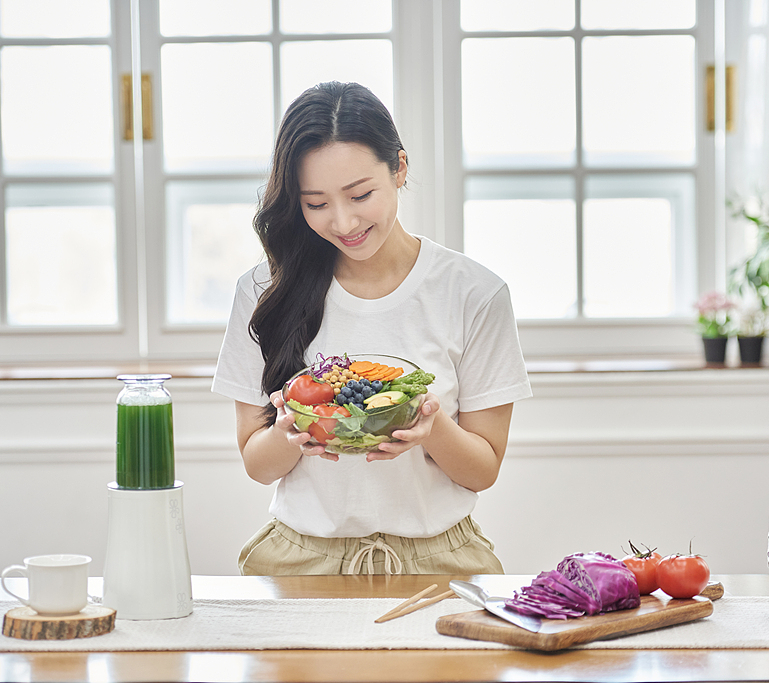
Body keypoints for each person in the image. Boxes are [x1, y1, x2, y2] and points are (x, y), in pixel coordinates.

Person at [212, 81, 531, 576]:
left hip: (439, 562)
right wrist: (289, 430)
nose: (343, 222)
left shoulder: (474, 293)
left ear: (399, 169)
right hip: (300, 559)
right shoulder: (264, 290)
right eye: (315, 203)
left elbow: (482, 469)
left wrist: (430, 426)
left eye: (360, 194)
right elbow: (258, 465)